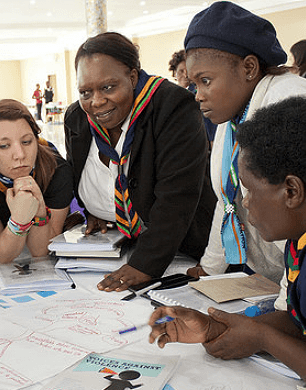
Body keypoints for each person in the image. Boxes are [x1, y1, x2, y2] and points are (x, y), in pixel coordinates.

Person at [148, 97, 306, 390]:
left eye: (250, 189)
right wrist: (218, 327)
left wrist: (263, 337)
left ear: (291, 191)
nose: (246, 202)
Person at [182, 1, 306, 286]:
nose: (198, 94)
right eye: (195, 84)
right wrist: (210, 269)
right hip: (270, 276)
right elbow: (227, 198)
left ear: (249, 67)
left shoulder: (292, 105)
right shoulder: (233, 115)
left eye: (205, 81)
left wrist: (286, 306)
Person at [64, 32, 217, 292]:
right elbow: (83, 177)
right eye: (85, 91)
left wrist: (143, 266)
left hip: (186, 253)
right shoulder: (77, 118)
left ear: (132, 77)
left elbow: (177, 198)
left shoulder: (173, 107)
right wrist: (95, 211)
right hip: (118, 250)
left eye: (108, 87)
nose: (97, 101)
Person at [0, 99, 72, 263]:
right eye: (4, 146)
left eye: (26, 142)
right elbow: (2, 255)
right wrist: (19, 220)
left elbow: (41, 251)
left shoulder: (57, 170)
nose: (20, 154)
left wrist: (38, 209)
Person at [168, 49, 217, 145]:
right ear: (174, 73)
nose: (185, 75)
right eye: (181, 71)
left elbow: (210, 125)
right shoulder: (171, 97)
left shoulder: (198, 93)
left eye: (187, 70)